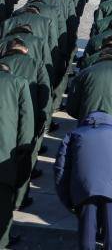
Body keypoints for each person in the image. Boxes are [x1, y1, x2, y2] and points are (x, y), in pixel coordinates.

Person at [54, 110, 112, 250]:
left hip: (84, 187)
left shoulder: (73, 134)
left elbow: (60, 168)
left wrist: (67, 200)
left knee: (86, 230)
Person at [0, 62, 32, 248]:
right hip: (5, 153)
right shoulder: (19, 82)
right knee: (3, 204)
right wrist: (24, 148)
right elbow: (26, 118)